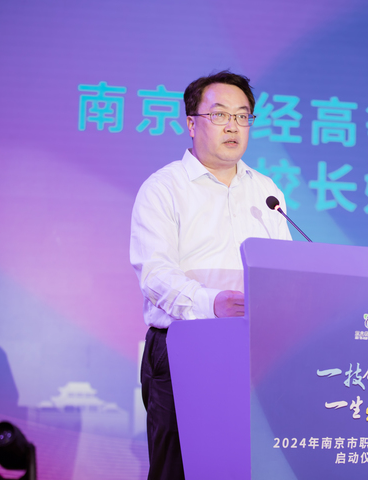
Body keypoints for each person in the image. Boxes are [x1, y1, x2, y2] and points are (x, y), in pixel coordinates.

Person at [130, 71, 292, 480]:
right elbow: (155, 273)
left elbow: (284, 273)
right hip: (185, 346)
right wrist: (212, 303)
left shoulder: (267, 193)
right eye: (220, 115)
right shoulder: (163, 188)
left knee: (250, 467)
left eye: (242, 116)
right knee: (179, 469)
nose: (233, 126)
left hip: (256, 353)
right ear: (191, 123)